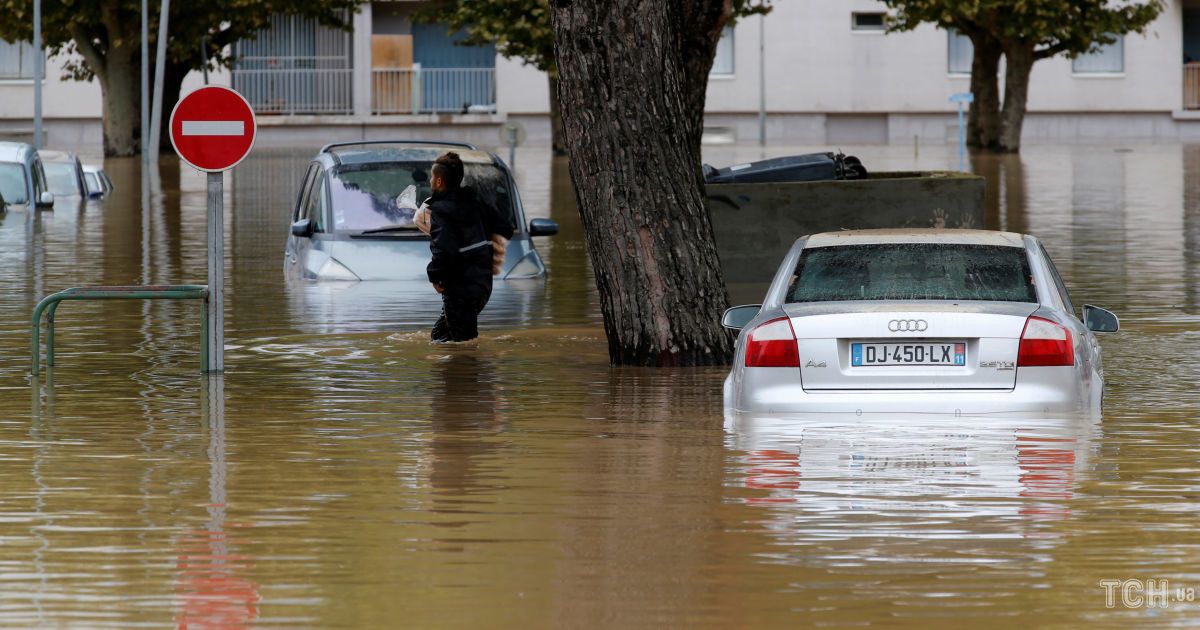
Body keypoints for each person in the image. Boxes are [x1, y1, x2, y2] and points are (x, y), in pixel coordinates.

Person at [419, 151, 514, 342]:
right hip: (483, 285)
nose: (430, 181)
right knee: (439, 336)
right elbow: (506, 228)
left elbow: (444, 249)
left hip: (460, 288)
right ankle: (465, 369)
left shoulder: (440, 210)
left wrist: (434, 276)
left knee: (463, 346)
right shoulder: (475, 203)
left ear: (439, 182)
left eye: (431, 177)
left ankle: (470, 370)